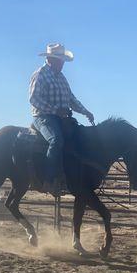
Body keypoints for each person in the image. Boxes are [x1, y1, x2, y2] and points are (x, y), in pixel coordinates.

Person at [29, 43, 94, 194]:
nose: (62, 63)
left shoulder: (62, 78)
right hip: (44, 117)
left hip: (62, 119)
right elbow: (34, 99)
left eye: (63, 60)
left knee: (79, 138)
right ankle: (48, 180)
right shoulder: (40, 74)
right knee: (56, 140)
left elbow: (71, 99)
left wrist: (86, 112)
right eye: (60, 60)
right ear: (50, 59)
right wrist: (56, 110)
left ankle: (71, 177)